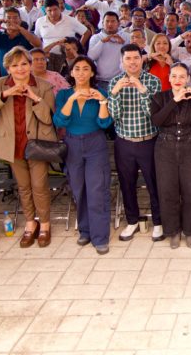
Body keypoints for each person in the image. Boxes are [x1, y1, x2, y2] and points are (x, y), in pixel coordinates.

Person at [0, 47, 57, 248]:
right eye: (15, 65)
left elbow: (48, 117)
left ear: (30, 65)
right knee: (23, 187)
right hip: (12, 143)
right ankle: (31, 224)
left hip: (37, 143)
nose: (20, 69)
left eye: (24, 64)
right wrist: (5, 94)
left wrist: (34, 97)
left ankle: (45, 225)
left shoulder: (43, 85)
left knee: (39, 186)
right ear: (8, 68)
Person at [53, 56, 113, 255]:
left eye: (85, 69)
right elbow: (60, 120)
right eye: (77, 69)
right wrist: (72, 99)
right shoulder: (63, 95)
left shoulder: (101, 93)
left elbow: (104, 124)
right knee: (79, 189)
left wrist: (103, 102)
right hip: (72, 144)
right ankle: (85, 230)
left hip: (95, 143)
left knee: (97, 190)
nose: (81, 73)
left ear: (92, 73)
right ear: (71, 73)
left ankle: (100, 236)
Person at [108, 44, 164, 243]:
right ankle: (132, 220)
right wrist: (114, 93)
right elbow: (113, 116)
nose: (132, 62)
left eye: (136, 58)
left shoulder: (153, 81)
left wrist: (141, 90)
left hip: (148, 141)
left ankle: (158, 222)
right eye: (128, 59)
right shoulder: (115, 81)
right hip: (124, 142)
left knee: (154, 183)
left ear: (142, 59)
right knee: (127, 183)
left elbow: (153, 114)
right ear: (122, 62)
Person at [151, 63, 191, 249]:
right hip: (165, 147)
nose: (178, 80)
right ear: (169, 78)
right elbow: (157, 121)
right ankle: (173, 231)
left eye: (182, 76)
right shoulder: (159, 97)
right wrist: (174, 101)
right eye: (174, 76)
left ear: (187, 79)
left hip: (190, 146)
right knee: (168, 190)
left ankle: (190, 230)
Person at [0, 7, 42, 76]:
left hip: (26, 76)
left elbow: (38, 44)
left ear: (20, 20)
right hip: (6, 78)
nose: (12, 20)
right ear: (4, 20)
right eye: (9, 18)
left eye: (15, 18)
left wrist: (19, 28)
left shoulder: (27, 35)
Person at [88, 11, 130, 89]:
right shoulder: (96, 37)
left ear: (118, 23)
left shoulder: (127, 36)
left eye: (113, 21)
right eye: (107, 21)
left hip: (121, 80)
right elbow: (91, 57)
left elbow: (132, 57)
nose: (110, 24)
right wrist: (102, 41)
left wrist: (123, 43)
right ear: (102, 23)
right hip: (101, 81)